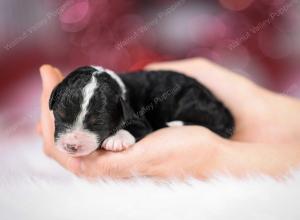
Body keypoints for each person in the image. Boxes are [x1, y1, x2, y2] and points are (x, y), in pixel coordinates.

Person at [37, 58, 300, 179]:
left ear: (121, 111)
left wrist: (217, 155)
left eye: (95, 124)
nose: (72, 140)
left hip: (192, 105)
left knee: (190, 110)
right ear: (54, 101)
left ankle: (212, 125)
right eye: (62, 118)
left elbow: (138, 124)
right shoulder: (107, 97)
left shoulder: (123, 104)